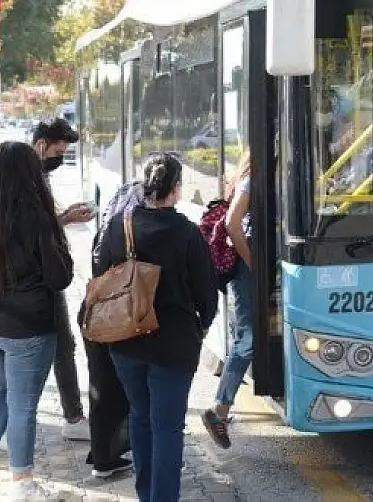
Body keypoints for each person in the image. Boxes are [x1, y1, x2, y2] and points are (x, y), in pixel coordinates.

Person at [96, 153, 219, 502]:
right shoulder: (187, 233)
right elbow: (206, 295)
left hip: (125, 341)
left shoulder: (120, 225)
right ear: (176, 189)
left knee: (141, 416)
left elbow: (100, 281)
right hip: (174, 346)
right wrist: (200, 330)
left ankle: (146, 493)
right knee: (168, 427)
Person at [0, 141, 73, 501]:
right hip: (28, 330)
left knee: (5, 392)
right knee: (23, 406)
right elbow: (60, 278)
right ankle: (22, 484)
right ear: (30, 172)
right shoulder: (37, 216)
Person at [31, 118, 94, 441]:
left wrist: (65, 217)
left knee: (61, 346)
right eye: (58, 150)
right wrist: (66, 218)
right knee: (56, 347)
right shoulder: (28, 178)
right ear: (41, 145)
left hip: (44, 276)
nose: (59, 158)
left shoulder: (37, 175)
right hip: (38, 278)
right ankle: (72, 418)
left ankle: (73, 416)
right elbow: (30, 230)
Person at [77, 181, 143, 479]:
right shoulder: (129, 232)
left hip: (95, 316)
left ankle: (103, 456)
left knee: (101, 388)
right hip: (118, 318)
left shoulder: (104, 230)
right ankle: (120, 454)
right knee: (124, 390)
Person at [201, 150, 254, 450]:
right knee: (248, 340)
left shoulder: (247, 179)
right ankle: (219, 410)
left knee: (242, 337)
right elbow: (233, 224)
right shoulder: (252, 182)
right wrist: (253, 265)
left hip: (243, 267)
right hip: (245, 269)